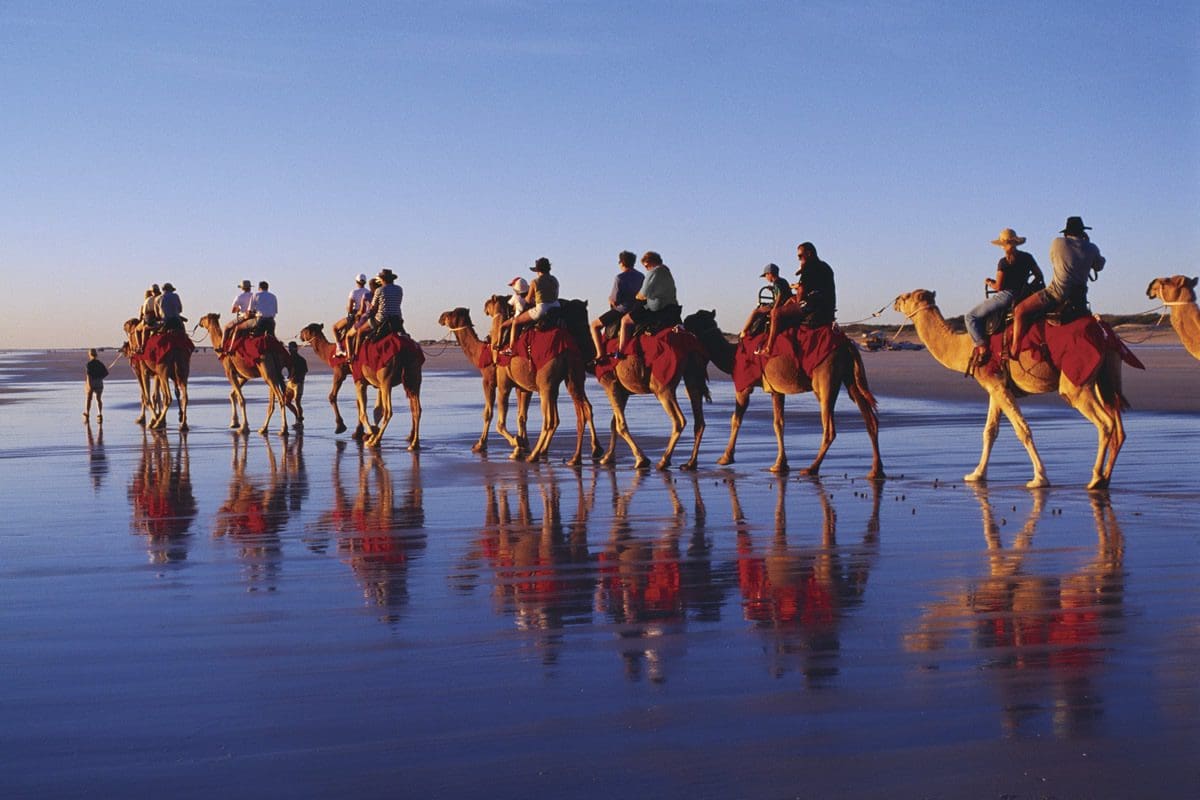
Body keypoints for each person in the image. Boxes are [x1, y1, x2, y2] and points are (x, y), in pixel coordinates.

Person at [1009, 216, 1105, 357]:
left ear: (1066, 233)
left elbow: (1054, 259)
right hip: (1079, 297)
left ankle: (1015, 348)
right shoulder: (1092, 248)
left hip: (1056, 294)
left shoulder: (1057, 243)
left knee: (1019, 310)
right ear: (1083, 232)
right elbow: (1099, 265)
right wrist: (1087, 244)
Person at [963, 228, 1044, 363]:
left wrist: (989, 282)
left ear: (1002, 245)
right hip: (1025, 295)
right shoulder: (1027, 257)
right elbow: (1039, 276)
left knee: (970, 317)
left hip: (1006, 296)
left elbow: (999, 287)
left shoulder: (1004, 262)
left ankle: (982, 348)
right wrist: (1028, 287)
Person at [759, 241, 836, 355]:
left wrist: (796, 295)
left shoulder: (808, 267)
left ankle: (769, 348)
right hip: (828, 310)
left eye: (800, 256)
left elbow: (801, 294)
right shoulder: (826, 267)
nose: (799, 259)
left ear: (809, 254)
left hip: (813, 309)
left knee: (776, 313)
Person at [616, 251, 679, 355]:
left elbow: (643, 293)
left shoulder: (654, 272)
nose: (646, 269)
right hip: (672, 308)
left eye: (646, 266)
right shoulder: (667, 271)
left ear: (650, 262)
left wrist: (637, 296)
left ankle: (621, 351)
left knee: (625, 320)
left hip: (656, 308)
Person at [590, 250, 643, 361]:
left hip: (622, 309)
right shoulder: (641, 276)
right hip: (637, 310)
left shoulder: (620, 277)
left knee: (594, 326)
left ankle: (600, 354)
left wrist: (610, 300)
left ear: (622, 263)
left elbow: (614, 300)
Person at [501, 257, 559, 353]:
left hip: (542, 309)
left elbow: (528, 299)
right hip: (556, 306)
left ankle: (511, 348)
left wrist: (530, 299)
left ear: (538, 270)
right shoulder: (554, 280)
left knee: (515, 321)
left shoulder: (535, 282)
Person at [346, 268, 404, 360]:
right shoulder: (399, 289)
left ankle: (355, 356)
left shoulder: (379, 290)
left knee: (360, 331)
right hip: (397, 319)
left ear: (383, 279)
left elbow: (372, 308)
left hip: (381, 319)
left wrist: (365, 315)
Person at [740, 263, 793, 338]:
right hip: (786, 303)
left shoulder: (776, 282)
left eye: (765, 275)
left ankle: (744, 331)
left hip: (780, 304)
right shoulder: (783, 281)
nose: (766, 278)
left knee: (755, 311)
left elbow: (780, 295)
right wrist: (772, 288)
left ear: (770, 274)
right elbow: (784, 291)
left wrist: (775, 308)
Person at [333, 273, 372, 351]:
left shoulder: (353, 292)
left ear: (356, 282)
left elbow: (350, 309)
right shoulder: (368, 292)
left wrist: (347, 308)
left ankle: (339, 348)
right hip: (367, 315)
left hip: (355, 315)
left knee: (334, 327)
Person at [220, 279, 255, 353]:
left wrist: (239, 309)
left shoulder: (239, 296)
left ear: (242, 288)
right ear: (250, 288)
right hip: (253, 318)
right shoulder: (254, 296)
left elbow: (233, 310)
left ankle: (222, 347)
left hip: (243, 317)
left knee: (226, 327)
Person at [132, 284, 162, 353]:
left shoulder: (148, 300)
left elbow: (144, 312)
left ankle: (141, 346)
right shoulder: (161, 298)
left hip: (150, 319)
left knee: (137, 330)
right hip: (161, 319)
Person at [286, 341, 308, 426]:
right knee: (286, 402)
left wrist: (299, 378)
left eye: (292, 348)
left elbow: (305, 371)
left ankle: (300, 421)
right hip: (290, 383)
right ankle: (297, 417)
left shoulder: (301, 360)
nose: (290, 350)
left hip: (298, 383)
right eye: (290, 348)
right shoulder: (288, 359)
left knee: (297, 402)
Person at [83, 348, 109, 423]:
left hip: (91, 382)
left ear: (89, 354)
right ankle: (100, 414)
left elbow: (89, 375)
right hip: (99, 382)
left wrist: (89, 385)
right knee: (98, 399)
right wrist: (100, 377)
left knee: (89, 399)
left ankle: (87, 414)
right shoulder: (100, 363)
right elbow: (106, 373)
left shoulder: (89, 364)